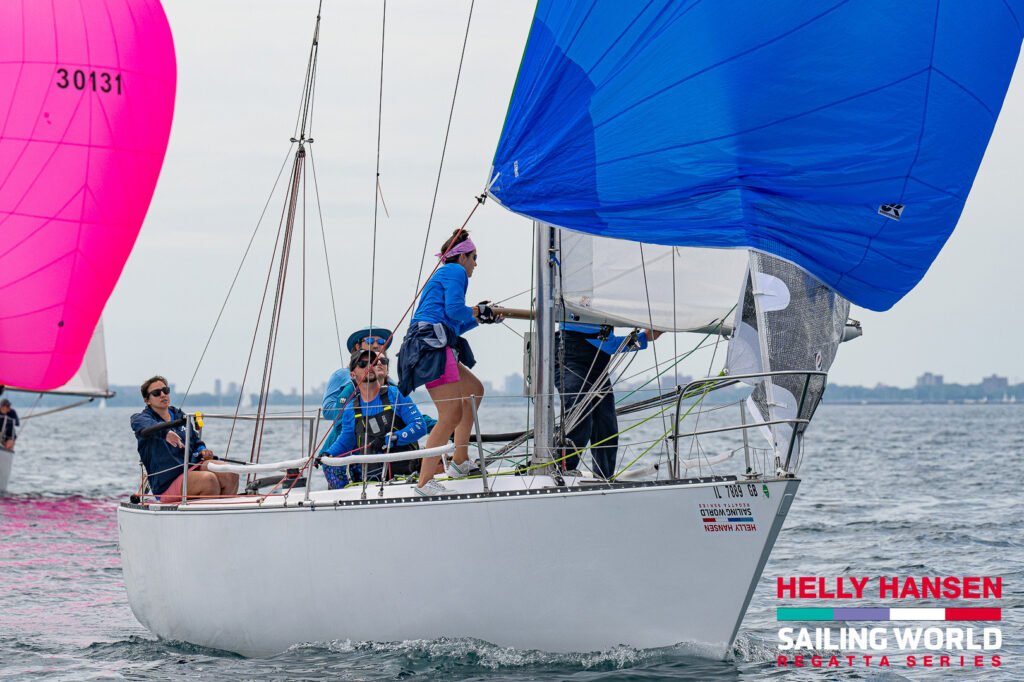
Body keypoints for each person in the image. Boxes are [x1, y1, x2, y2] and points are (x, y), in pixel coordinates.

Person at [397, 228, 501, 496]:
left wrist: (481, 317)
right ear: (462, 257)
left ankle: (459, 462)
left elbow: (456, 323)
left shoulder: (446, 274)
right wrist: (480, 310)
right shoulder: (454, 272)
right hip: (430, 346)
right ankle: (425, 481)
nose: (476, 263)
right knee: (450, 414)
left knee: (475, 391)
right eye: (474, 257)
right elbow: (456, 311)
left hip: (434, 342)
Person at [556, 323, 662, 479]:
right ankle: (562, 469)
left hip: (597, 368)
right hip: (568, 359)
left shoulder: (602, 325)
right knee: (581, 412)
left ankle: (604, 477)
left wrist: (650, 332)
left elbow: (609, 344)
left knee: (606, 424)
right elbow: (610, 346)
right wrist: (644, 336)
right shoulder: (578, 314)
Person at [320, 349, 427, 489]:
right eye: (362, 364)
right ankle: (344, 502)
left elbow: (419, 426)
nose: (369, 366)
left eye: (373, 363)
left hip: (404, 478)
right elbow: (346, 440)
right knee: (328, 464)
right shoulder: (351, 409)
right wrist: (327, 454)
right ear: (352, 374)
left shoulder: (395, 395)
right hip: (371, 481)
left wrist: (391, 439)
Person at [130, 376, 238, 503]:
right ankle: (209, 518)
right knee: (209, 480)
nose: (163, 395)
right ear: (147, 400)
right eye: (156, 393)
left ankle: (224, 515)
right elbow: (143, 425)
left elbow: (196, 441)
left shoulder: (179, 415)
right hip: (167, 482)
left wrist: (203, 450)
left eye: (165, 390)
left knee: (230, 473)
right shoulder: (140, 419)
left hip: (191, 467)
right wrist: (165, 433)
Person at [321, 326, 395, 450]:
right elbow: (327, 411)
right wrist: (360, 405)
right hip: (346, 444)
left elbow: (403, 408)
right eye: (370, 341)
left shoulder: (389, 382)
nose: (376, 345)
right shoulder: (342, 375)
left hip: (378, 444)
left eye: (381, 342)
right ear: (357, 346)